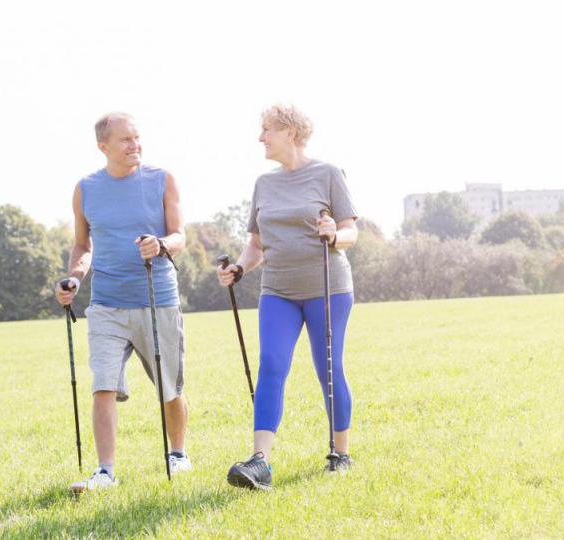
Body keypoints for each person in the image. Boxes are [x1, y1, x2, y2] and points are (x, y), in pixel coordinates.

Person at [218, 104, 359, 491]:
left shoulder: (328, 174)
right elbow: (256, 245)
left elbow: (350, 233)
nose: (260, 137)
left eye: (267, 130)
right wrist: (240, 269)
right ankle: (260, 462)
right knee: (272, 365)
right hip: (277, 289)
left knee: (328, 367)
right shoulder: (264, 184)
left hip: (327, 288)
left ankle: (340, 452)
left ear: (291, 133)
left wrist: (334, 233)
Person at [55, 112, 191, 490]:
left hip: (156, 298)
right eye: (125, 140)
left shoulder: (162, 180)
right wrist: (74, 279)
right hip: (106, 304)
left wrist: (161, 244)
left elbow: (180, 234)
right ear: (104, 147)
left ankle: (177, 453)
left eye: (137, 137)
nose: (135, 145)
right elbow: (83, 245)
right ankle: (105, 471)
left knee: (170, 386)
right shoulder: (86, 189)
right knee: (102, 384)